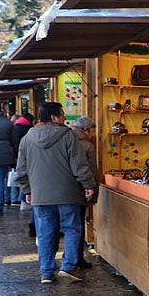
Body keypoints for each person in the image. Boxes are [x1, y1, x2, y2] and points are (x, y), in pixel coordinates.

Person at [15, 102, 95, 284]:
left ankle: (46, 272)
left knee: (44, 233)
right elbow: (79, 165)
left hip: (40, 196)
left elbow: (21, 170)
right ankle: (68, 267)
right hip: (68, 193)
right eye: (62, 114)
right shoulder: (69, 136)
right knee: (72, 229)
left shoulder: (27, 138)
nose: (65, 118)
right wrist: (88, 185)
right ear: (53, 118)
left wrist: (27, 190)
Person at [70, 116, 98, 269]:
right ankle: (77, 258)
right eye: (92, 131)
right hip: (81, 190)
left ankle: (66, 261)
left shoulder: (65, 140)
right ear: (85, 130)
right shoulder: (87, 145)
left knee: (68, 227)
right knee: (77, 226)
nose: (93, 135)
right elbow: (92, 170)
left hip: (64, 190)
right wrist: (94, 191)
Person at [9, 112, 33, 207]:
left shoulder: (14, 128)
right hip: (26, 155)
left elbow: (12, 143)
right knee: (25, 176)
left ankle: (13, 198)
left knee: (16, 175)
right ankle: (21, 198)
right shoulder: (29, 129)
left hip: (15, 155)